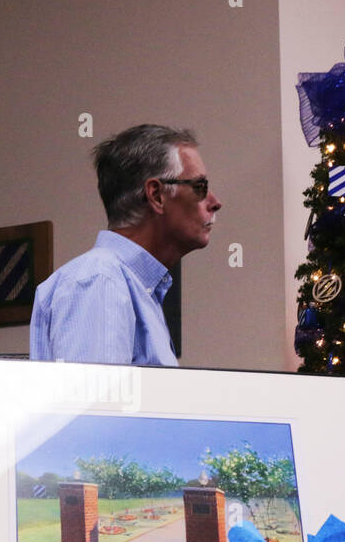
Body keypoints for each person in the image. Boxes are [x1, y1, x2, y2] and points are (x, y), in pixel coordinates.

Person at [30, 124, 221, 365]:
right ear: (156, 195)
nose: (215, 202)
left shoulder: (130, 287)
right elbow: (95, 401)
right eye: (200, 187)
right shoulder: (99, 281)